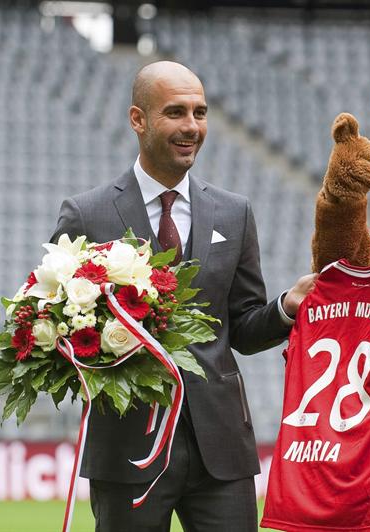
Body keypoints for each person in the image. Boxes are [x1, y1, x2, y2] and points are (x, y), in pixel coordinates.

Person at [50, 61, 316, 532]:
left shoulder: (235, 212)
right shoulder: (87, 214)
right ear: (139, 119)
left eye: (200, 112)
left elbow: (245, 328)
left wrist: (285, 308)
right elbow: (60, 327)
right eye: (175, 112)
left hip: (222, 448)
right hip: (128, 451)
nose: (191, 126)